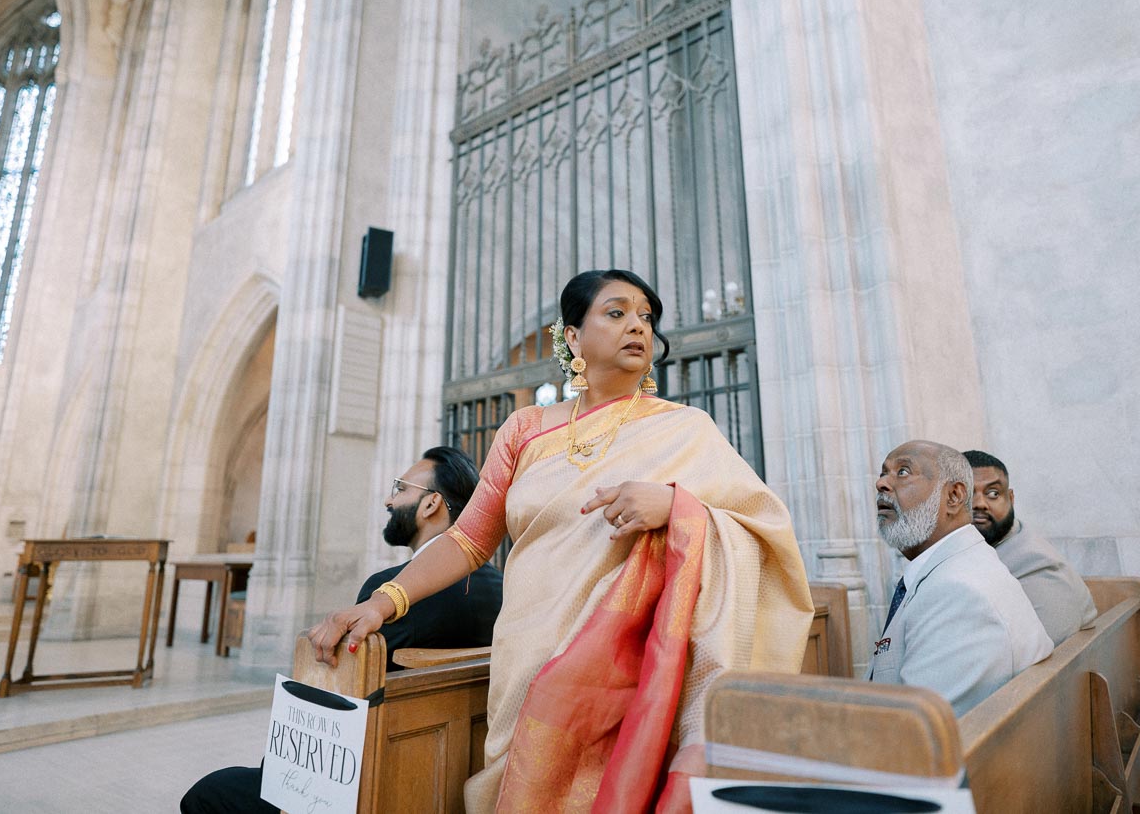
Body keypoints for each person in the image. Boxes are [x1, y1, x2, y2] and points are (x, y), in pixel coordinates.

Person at [309, 269, 813, 812]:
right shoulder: (525, 430)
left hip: (626, 669)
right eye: (616, 313)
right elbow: (470, 540)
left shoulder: (687, 429)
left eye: (646, 316)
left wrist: (675, 507)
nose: (637, 326)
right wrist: (383, 603)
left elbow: (762, 528)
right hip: (528, 659)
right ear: (572, 337)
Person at [181, 446, 502, 814]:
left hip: (372, 781)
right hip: (448, 779)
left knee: (207, 793)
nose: (388, 500)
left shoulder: (387, 592)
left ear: (431, 505)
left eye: (400, 489)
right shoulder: (500, 588)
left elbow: (337, 696)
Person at [868, 440, 1053, 716]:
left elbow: (918, 735)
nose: (881, 483)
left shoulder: (957, 593)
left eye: (903, 472)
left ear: (954, 496)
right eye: (884, 473)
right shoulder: (955, 567)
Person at [963, 449, 1098, 645]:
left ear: (1011, 498)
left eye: (993, 493)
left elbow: (1042, 664)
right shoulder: (973, 550)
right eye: (967, 494)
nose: (980, 504)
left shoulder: (1039, 568)